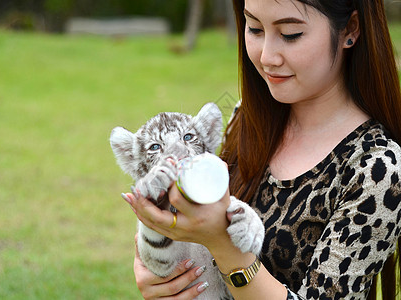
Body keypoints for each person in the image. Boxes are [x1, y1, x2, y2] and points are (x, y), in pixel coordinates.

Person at [122, 0, 401, 299]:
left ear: (350, 30)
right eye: (254, 27)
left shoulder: (378, 169)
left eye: (291, 34)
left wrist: (225, 248)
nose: (267, 57)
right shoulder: (247, 118)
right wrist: (158, 269)